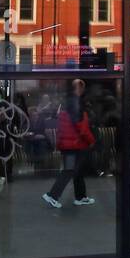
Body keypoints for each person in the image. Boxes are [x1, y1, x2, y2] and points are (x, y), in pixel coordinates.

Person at [43, 79, 96, 208]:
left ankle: (81, 197)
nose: (83, 91)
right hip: (73, 144)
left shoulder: (66, 102)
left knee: (77, 171)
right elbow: (81, 126)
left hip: (69, 143)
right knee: (69, 170)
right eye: (81, 88)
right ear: (78, 88)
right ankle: (52, 195)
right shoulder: (76, 103)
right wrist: (91, 140)